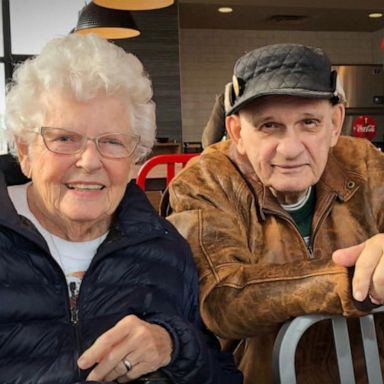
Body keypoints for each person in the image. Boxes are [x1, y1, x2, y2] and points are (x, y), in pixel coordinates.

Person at [0, 33, 243, 384]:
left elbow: (222, 376)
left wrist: (174, 345)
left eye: (112, 141)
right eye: (65, 138)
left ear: (135, 158)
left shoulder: (164, 248)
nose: (89, 161)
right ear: (24, 151)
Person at [163, 43, 384, 383]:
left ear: (335, 123)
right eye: (268, 126)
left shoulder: (365, 163)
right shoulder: (203, 181)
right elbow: (222, 298)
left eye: (309, 122)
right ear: (237, 132)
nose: (291, 148)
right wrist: (357, 278)